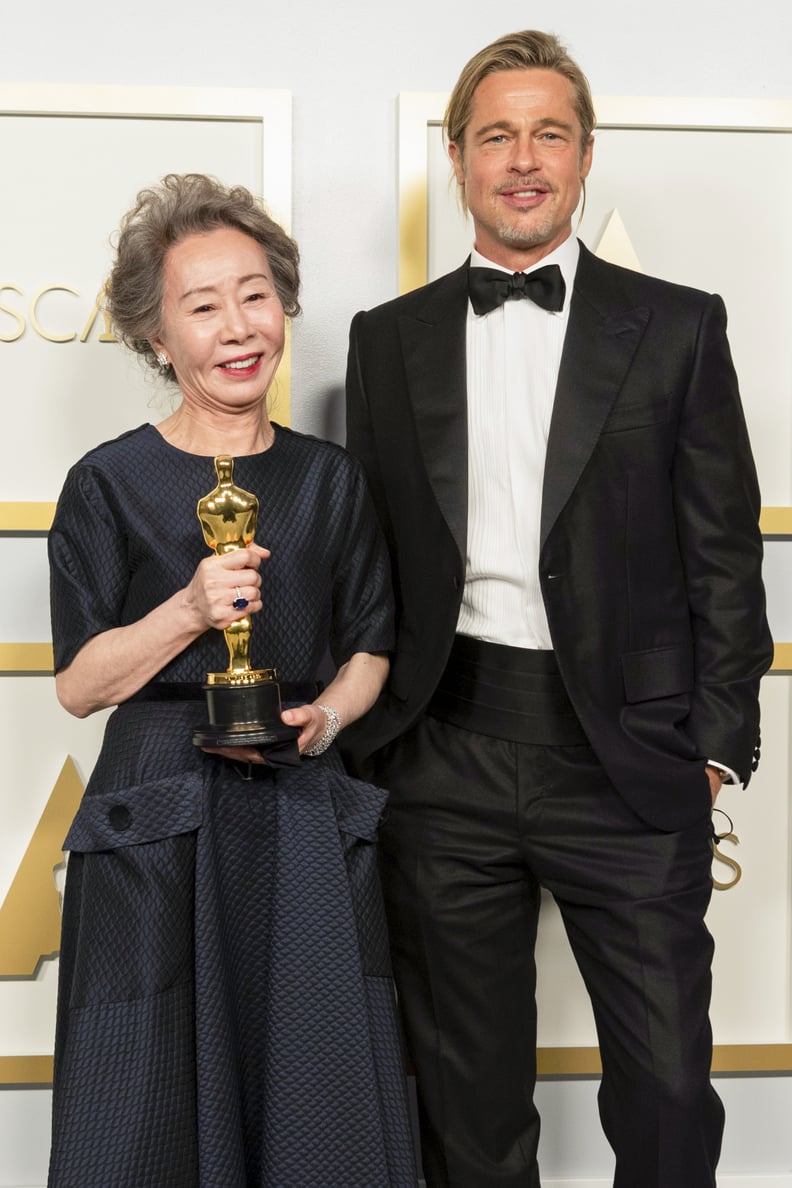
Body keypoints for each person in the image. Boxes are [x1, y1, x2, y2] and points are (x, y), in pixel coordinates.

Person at [343, 29, 773, 1188]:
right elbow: (371, 557)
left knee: (671, 1091)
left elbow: (725, 551)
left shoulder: (678, 325)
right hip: (446, 753)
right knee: (469, 1105)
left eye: (548, 133)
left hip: (629, 755)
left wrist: (719, 748)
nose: (522, 159)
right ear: (457, 155)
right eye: (497, 135)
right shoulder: (388, 343)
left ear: (585, 155)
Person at [47, 173, 415, 1187]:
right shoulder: (106, 483)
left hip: (297, 804)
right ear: (159, 337)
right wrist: (188, 609)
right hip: (155, 824)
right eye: (202, 306)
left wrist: (327, 718)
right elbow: (78, 687)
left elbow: (372, 647)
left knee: (313, 1092)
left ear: (283, 304)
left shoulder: (332, 480)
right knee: (144, 1106)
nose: (237, 326)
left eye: (255, 295)